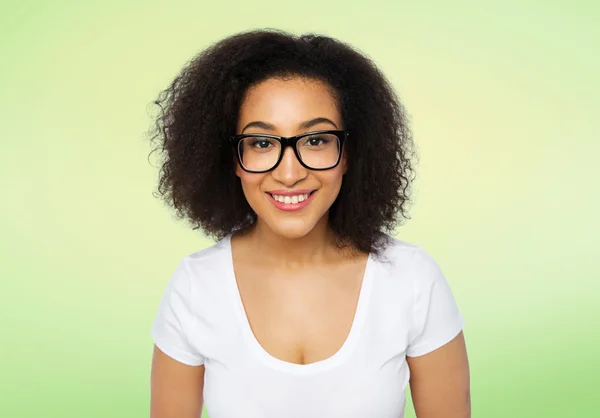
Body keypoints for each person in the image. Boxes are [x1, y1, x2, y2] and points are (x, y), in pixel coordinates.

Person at [148, 29, 470, 418]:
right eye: (262, 143)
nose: (288, 173)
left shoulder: (411, 280)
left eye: (315, 140)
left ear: (348, 153)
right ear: (233, 158)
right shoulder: (196, 287)